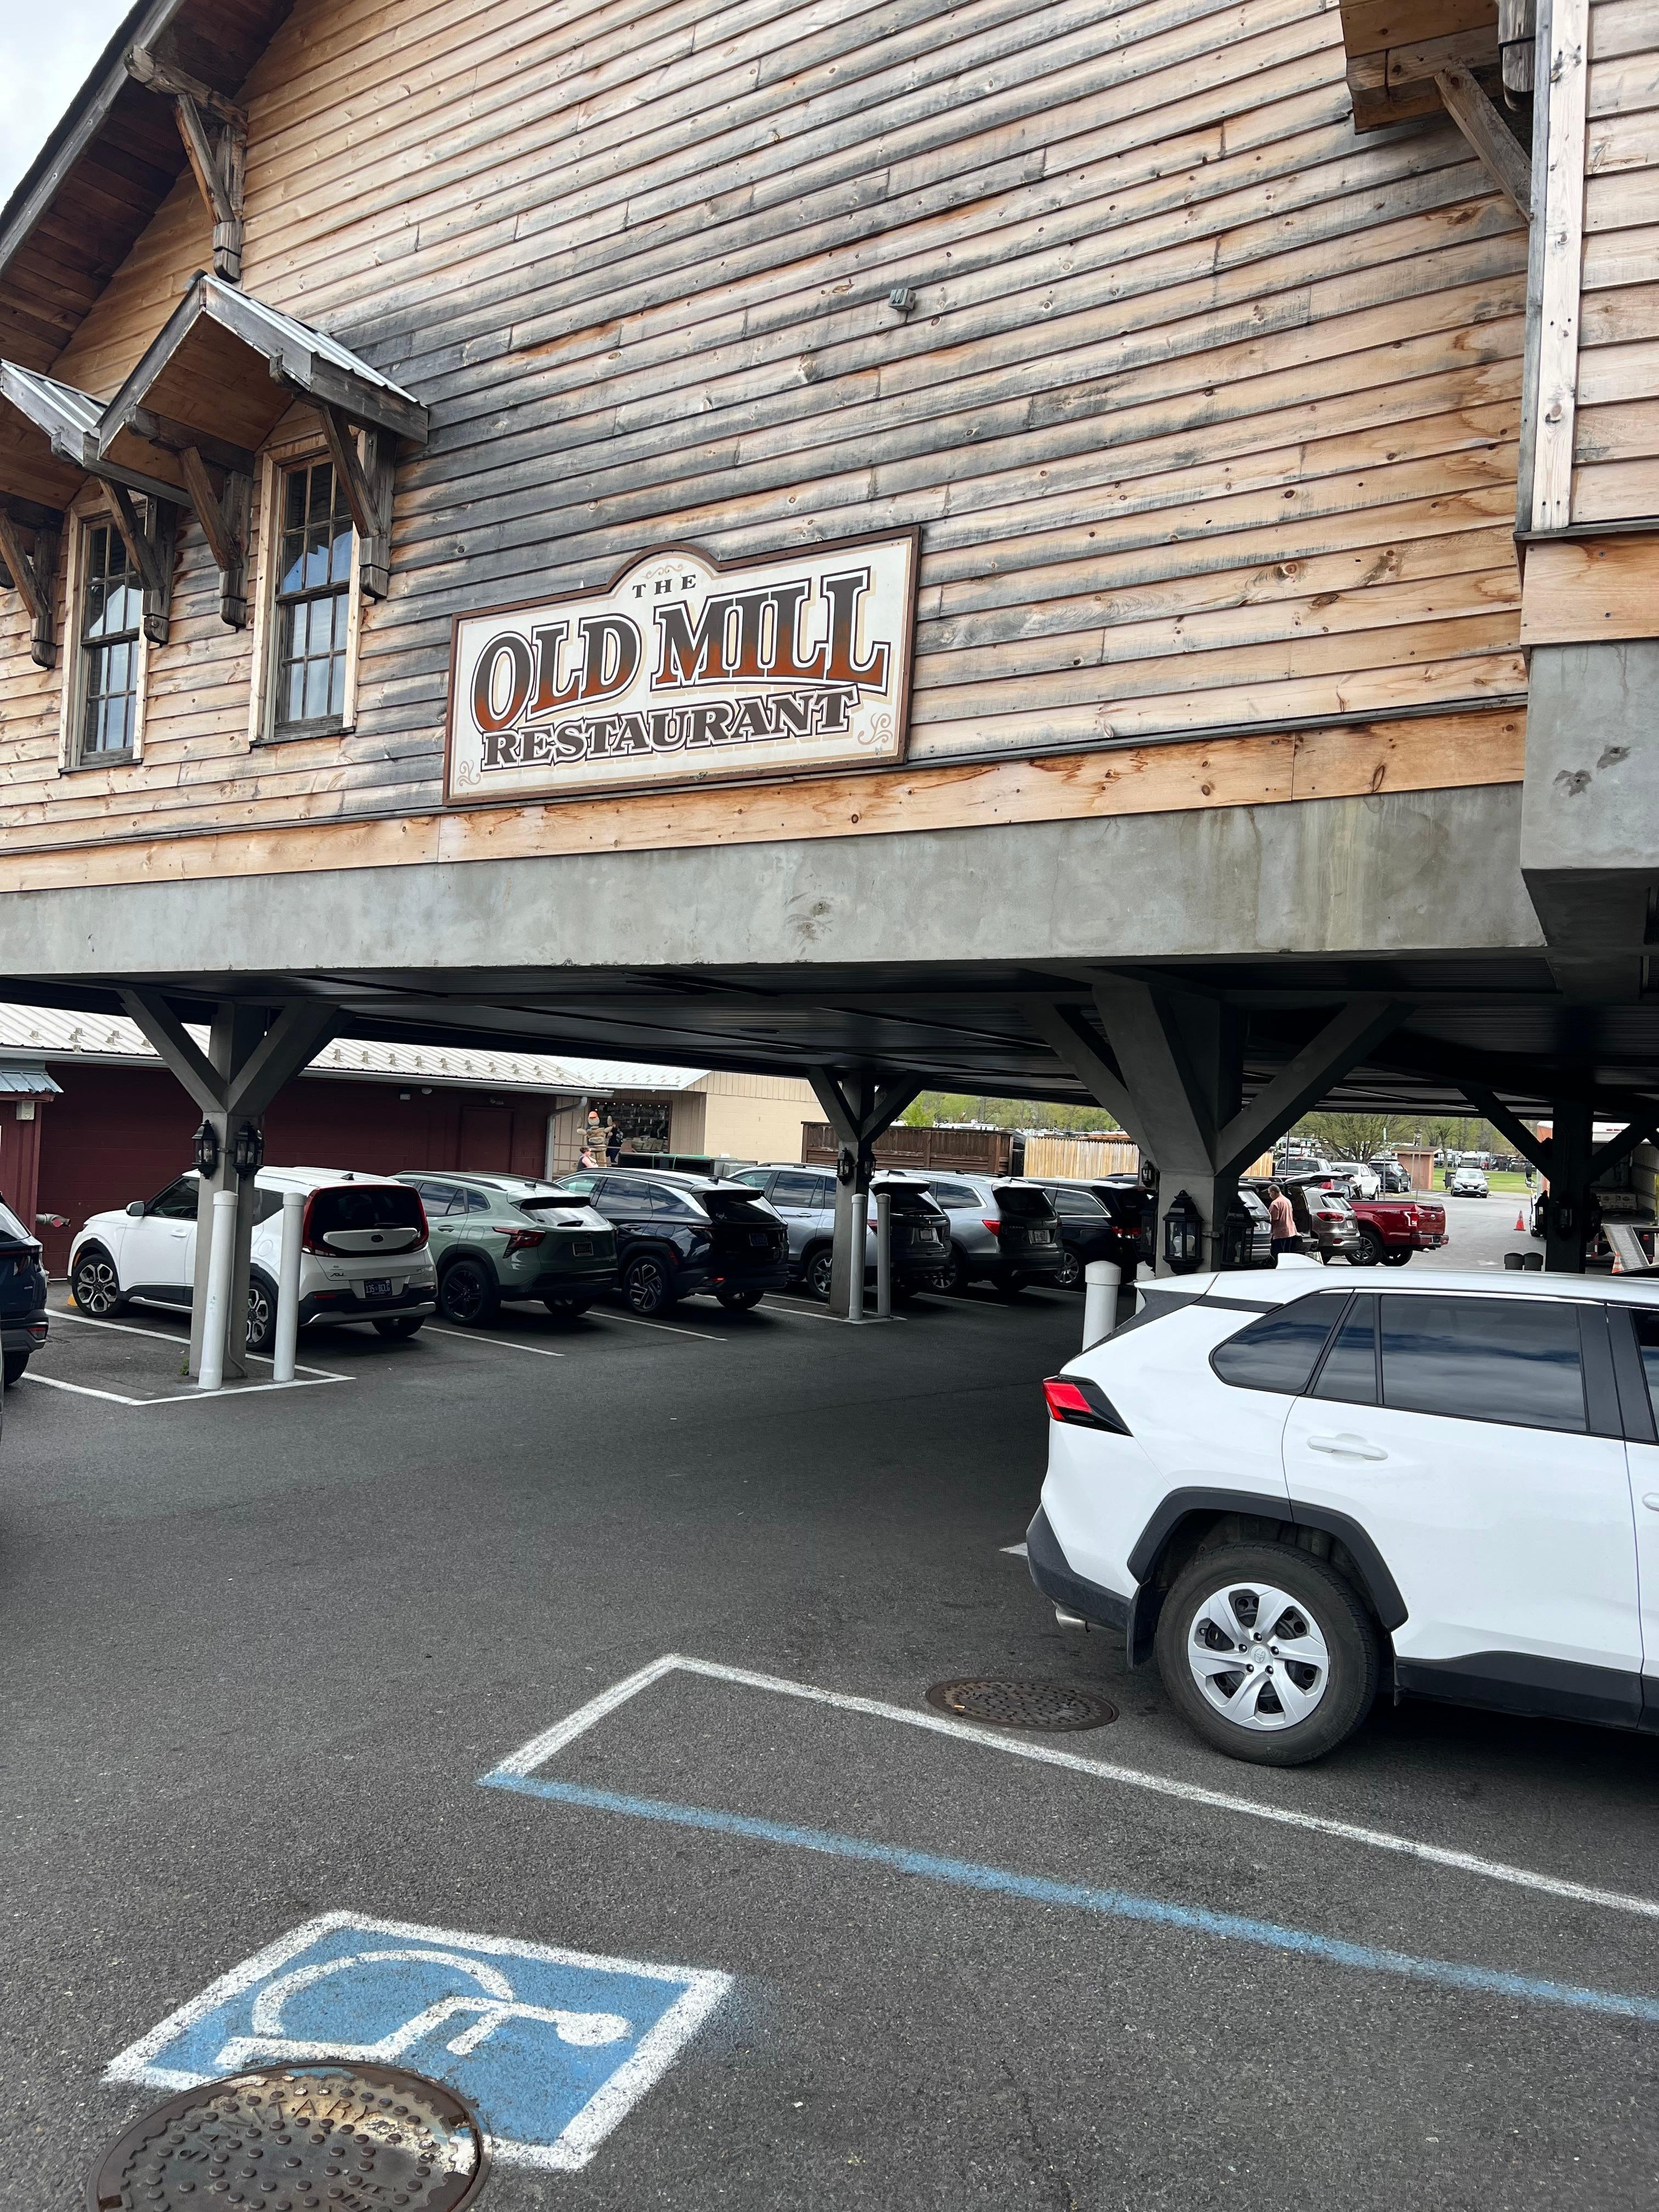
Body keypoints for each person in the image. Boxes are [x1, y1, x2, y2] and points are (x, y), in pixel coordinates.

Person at [1266, 1182, 1297, 1263]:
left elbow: (1274, 1219)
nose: (1270, 1196)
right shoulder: (1287, 1201)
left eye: (1270, 1194)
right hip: (1290, 1231)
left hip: (1279, 1233)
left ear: (1273, 1192)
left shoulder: (1275, 1203)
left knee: (1278, 1254)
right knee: (1287, 1253)